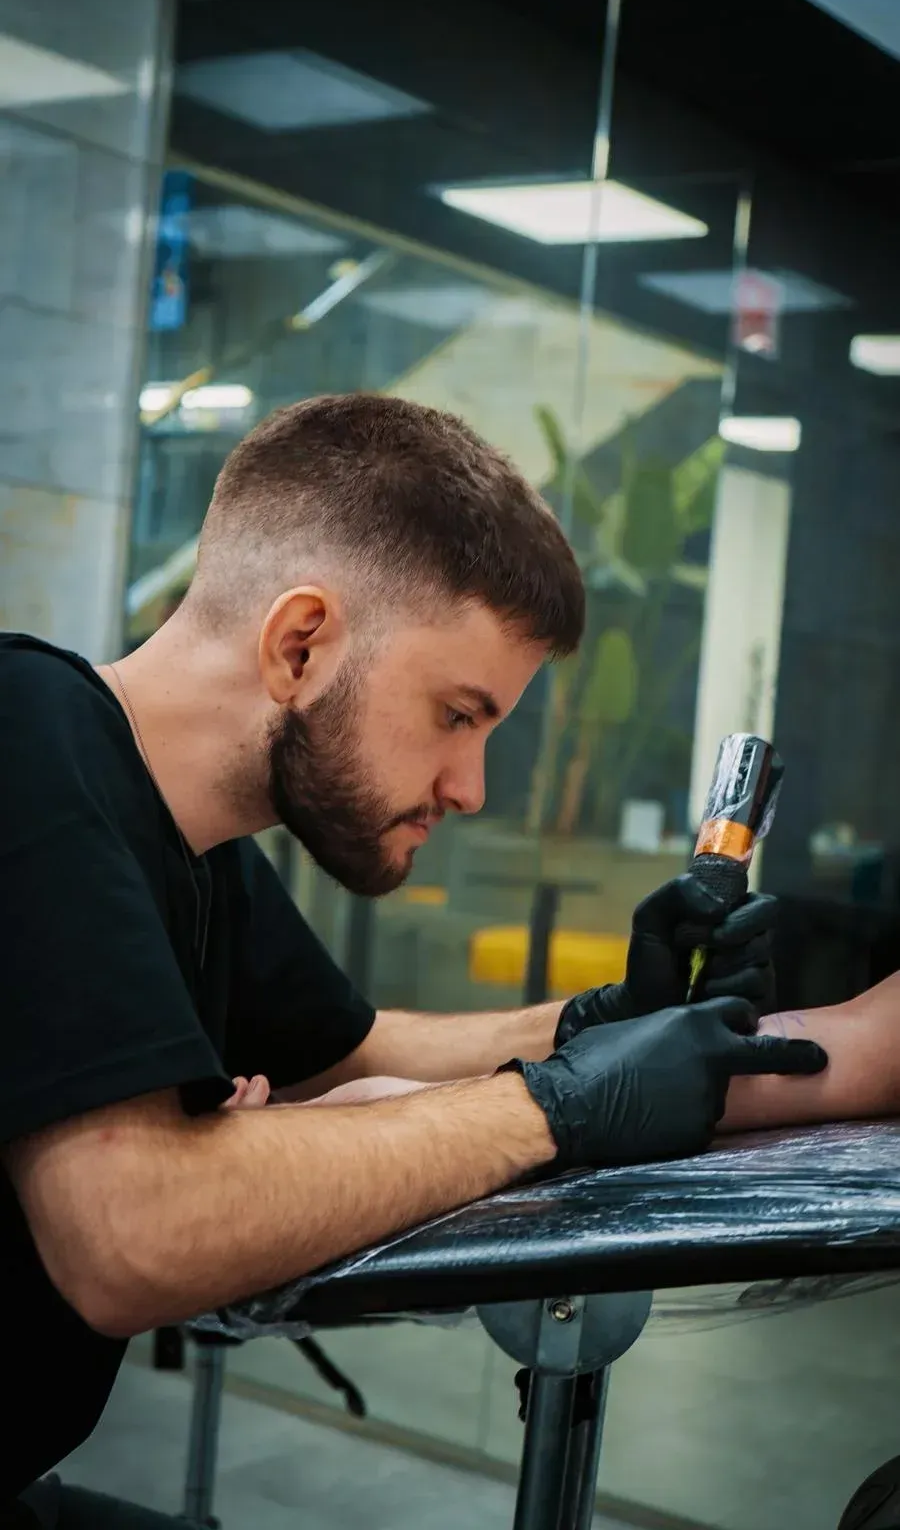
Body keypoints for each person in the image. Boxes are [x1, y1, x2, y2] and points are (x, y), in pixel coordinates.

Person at [1, 393, 825, 1528]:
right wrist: (559, 1107)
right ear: (301, 644)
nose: (469, 788)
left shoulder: (197, 849)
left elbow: (349, 1050)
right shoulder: (24, 741)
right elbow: (133, 1235)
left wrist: (595, 1022)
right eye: (455, 714)